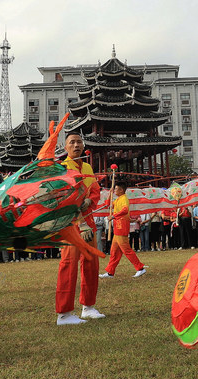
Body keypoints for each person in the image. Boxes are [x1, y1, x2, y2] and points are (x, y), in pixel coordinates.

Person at [55, 131, 104, 325]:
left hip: (89, 221)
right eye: (72, 142)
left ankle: (88, 307)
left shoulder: (87, 167)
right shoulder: (62, 168)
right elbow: (64, 197)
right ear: (65, 147)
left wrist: (89, 200)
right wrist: (81, 221)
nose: (76, 145)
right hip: (72, 223)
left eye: (79, 142)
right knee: (69, 264)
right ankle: (64, 313)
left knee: (91, 263)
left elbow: (95, 190)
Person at [100, 183, 147, 278]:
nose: (114, 190)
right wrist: (109, 194)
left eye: (116, 189)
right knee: (114, 252)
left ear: (121, 190)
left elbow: (125, 210)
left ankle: (140, 268)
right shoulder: (118, 199)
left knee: (127, 250)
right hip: (117, 228)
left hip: (122, 227)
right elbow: (108, 205)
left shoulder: (124, 199)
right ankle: (110, 272)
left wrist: (113, 216)